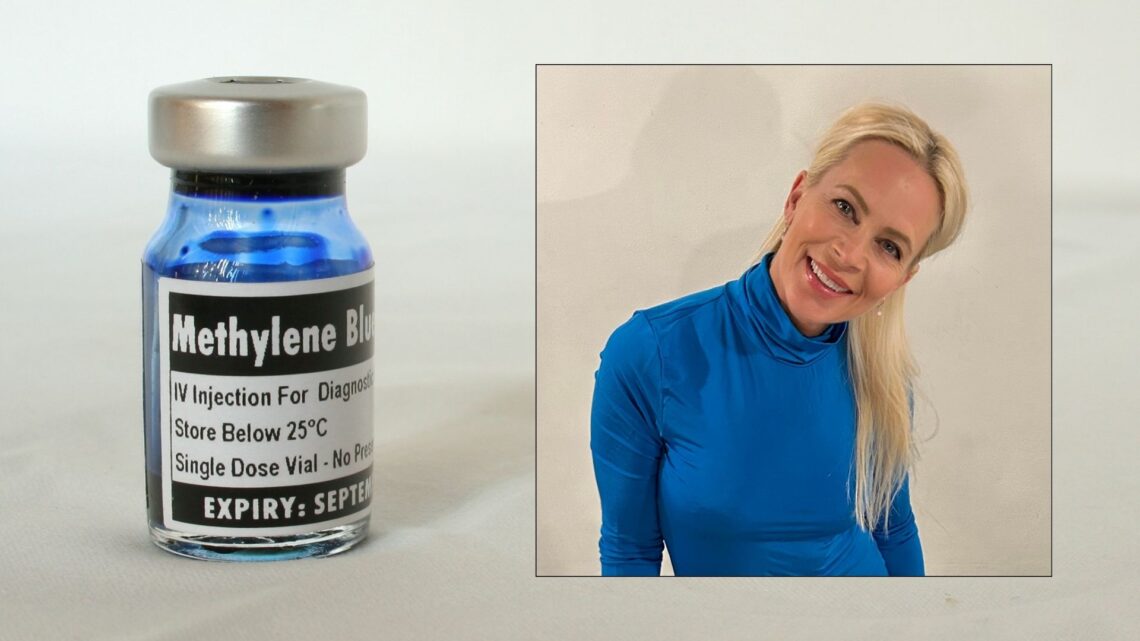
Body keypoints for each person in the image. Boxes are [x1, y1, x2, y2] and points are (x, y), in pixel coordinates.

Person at [590, 102, 968, 576]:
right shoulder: (652, 353)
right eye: (845, 208)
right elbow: (629, 553)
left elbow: (894, 531)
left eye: (889, 246)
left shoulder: (882, 378)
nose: (850, 255)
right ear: (796, 197)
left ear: (901, 279)